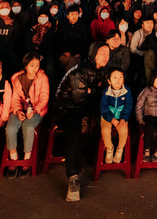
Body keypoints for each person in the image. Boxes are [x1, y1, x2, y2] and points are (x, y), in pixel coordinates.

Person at [53, 42, 110, 202]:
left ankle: (97, 158)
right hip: (66, 109)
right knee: (74, 130)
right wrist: (94, 92)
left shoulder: (100, 70)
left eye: (108, 53)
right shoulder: (79, 72)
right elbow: (80, 99)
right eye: (102, 53)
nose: (106, 56)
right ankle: (73, 177)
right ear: (93, 54)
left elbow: (101, 92)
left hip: (84, 107)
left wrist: (93, 91)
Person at [5, 52, 50, 171]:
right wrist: (18, 111)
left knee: (28, 126)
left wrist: (34, 111)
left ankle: (27, 158)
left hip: (37, 110)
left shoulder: (42, 78)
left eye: (37, 65)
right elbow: (15, 98)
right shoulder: (18, 79)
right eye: (32, 65)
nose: (35, 68)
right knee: (10, 128)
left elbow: (44, 98)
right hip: (22, 109)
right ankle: (13, 157)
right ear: (25, 66)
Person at [99, 68, 133, 164]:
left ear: (123, 80)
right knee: (105, 130)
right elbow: (103, 107)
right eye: (115, 78)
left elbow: (128, 106)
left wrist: (123, 118)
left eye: (120, 77)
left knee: (123, 131)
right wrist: (111, 119)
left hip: (121, 116)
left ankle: (120, 148)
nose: (118, 80)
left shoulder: (127, 91)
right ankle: (109, 148)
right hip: (108, 116)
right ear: (109, 81)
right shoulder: (107, 92)